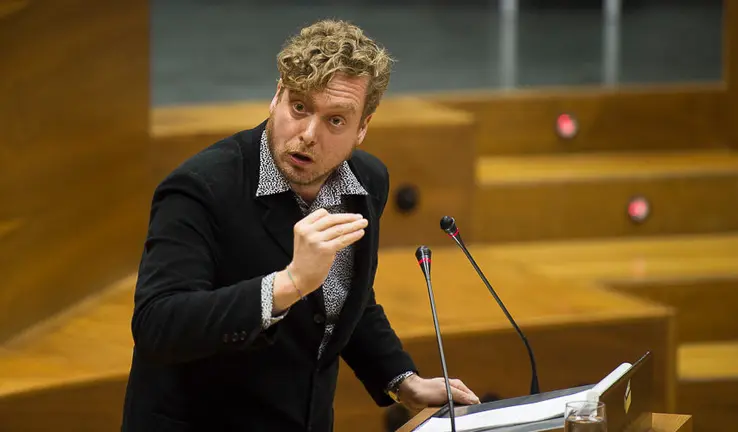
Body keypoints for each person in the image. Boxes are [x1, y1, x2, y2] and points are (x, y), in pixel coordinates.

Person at [121, 19, 479, 432]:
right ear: (277, 97)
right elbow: (157, 324)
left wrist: (402, 380)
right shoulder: (201, 189)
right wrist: (288, 284)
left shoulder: (366, 183)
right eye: (300, 107)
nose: (308, 134)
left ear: (362, 128)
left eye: (336, 121)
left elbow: (349, 299)